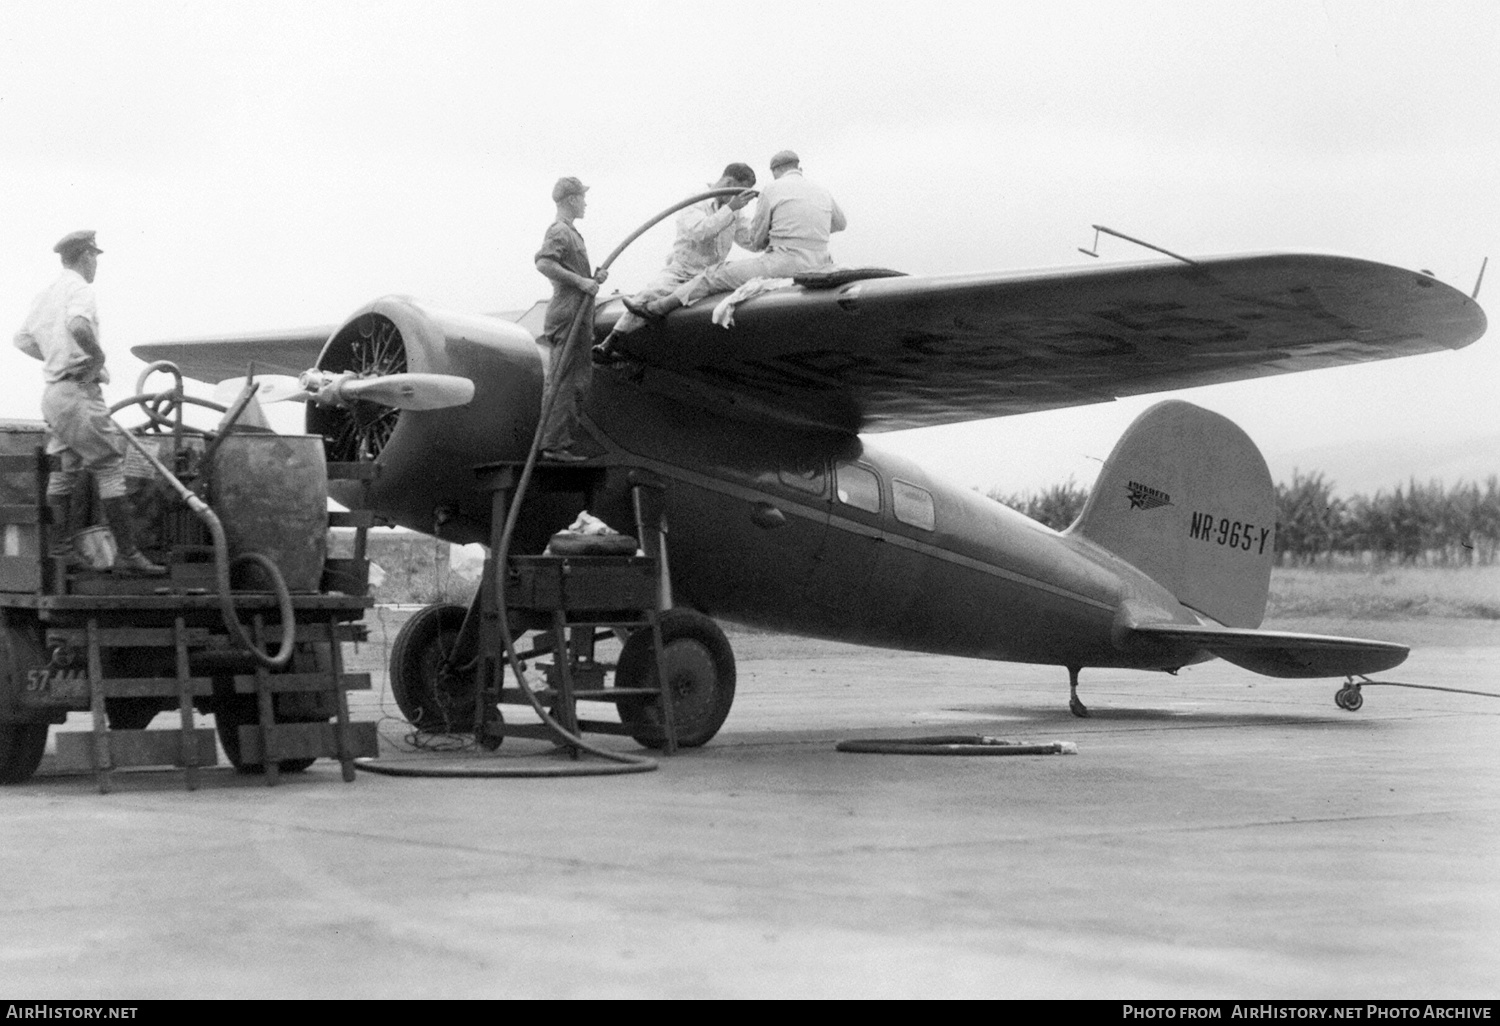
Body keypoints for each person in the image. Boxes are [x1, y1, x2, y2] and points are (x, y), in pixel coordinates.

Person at [13, 231, 164, 573]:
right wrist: (95, 357)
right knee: (110, 465)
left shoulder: (45, 294)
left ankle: (62, 549)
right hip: (79, 391)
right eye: (94, 256)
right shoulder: (80, 289)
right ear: (85, 256)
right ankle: (128, 556)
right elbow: (79, 324)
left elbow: (21, 340)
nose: (95, 263)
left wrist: (55, 356)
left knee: (67, 469)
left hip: (54, 394)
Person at [627, 150, 846, 322]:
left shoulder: (772, 189)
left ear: (775, 172)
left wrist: (781, 236)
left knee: (713, 276)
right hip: (820, 262)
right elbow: (840, 224)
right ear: (799, 168)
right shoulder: (822, 190)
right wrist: (806, 231)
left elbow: (758, 240)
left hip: (783, 263)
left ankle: (659, 308)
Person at [592, 162, 758, 363]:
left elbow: (749, 239)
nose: (742, 203)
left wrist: (771, 234)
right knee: (649, 295)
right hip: (683, 271)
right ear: (730, 183)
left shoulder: (736, 212)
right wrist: (730, 209)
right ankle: (611, 341)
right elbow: (701, 232)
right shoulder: (696, 201)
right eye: (740, 195)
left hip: (711, 274)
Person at [534, 177, 609, 462]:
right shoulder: (560, 231)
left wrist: (592, 279)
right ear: (572, 200)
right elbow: (544, 262)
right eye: (582, 197)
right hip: (568, 312)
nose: (586, 203)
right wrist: (581, 281)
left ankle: (557, 443)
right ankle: (552, 445)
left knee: (576, 379)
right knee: (565, 379)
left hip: (577, 311)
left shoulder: (572, 233)